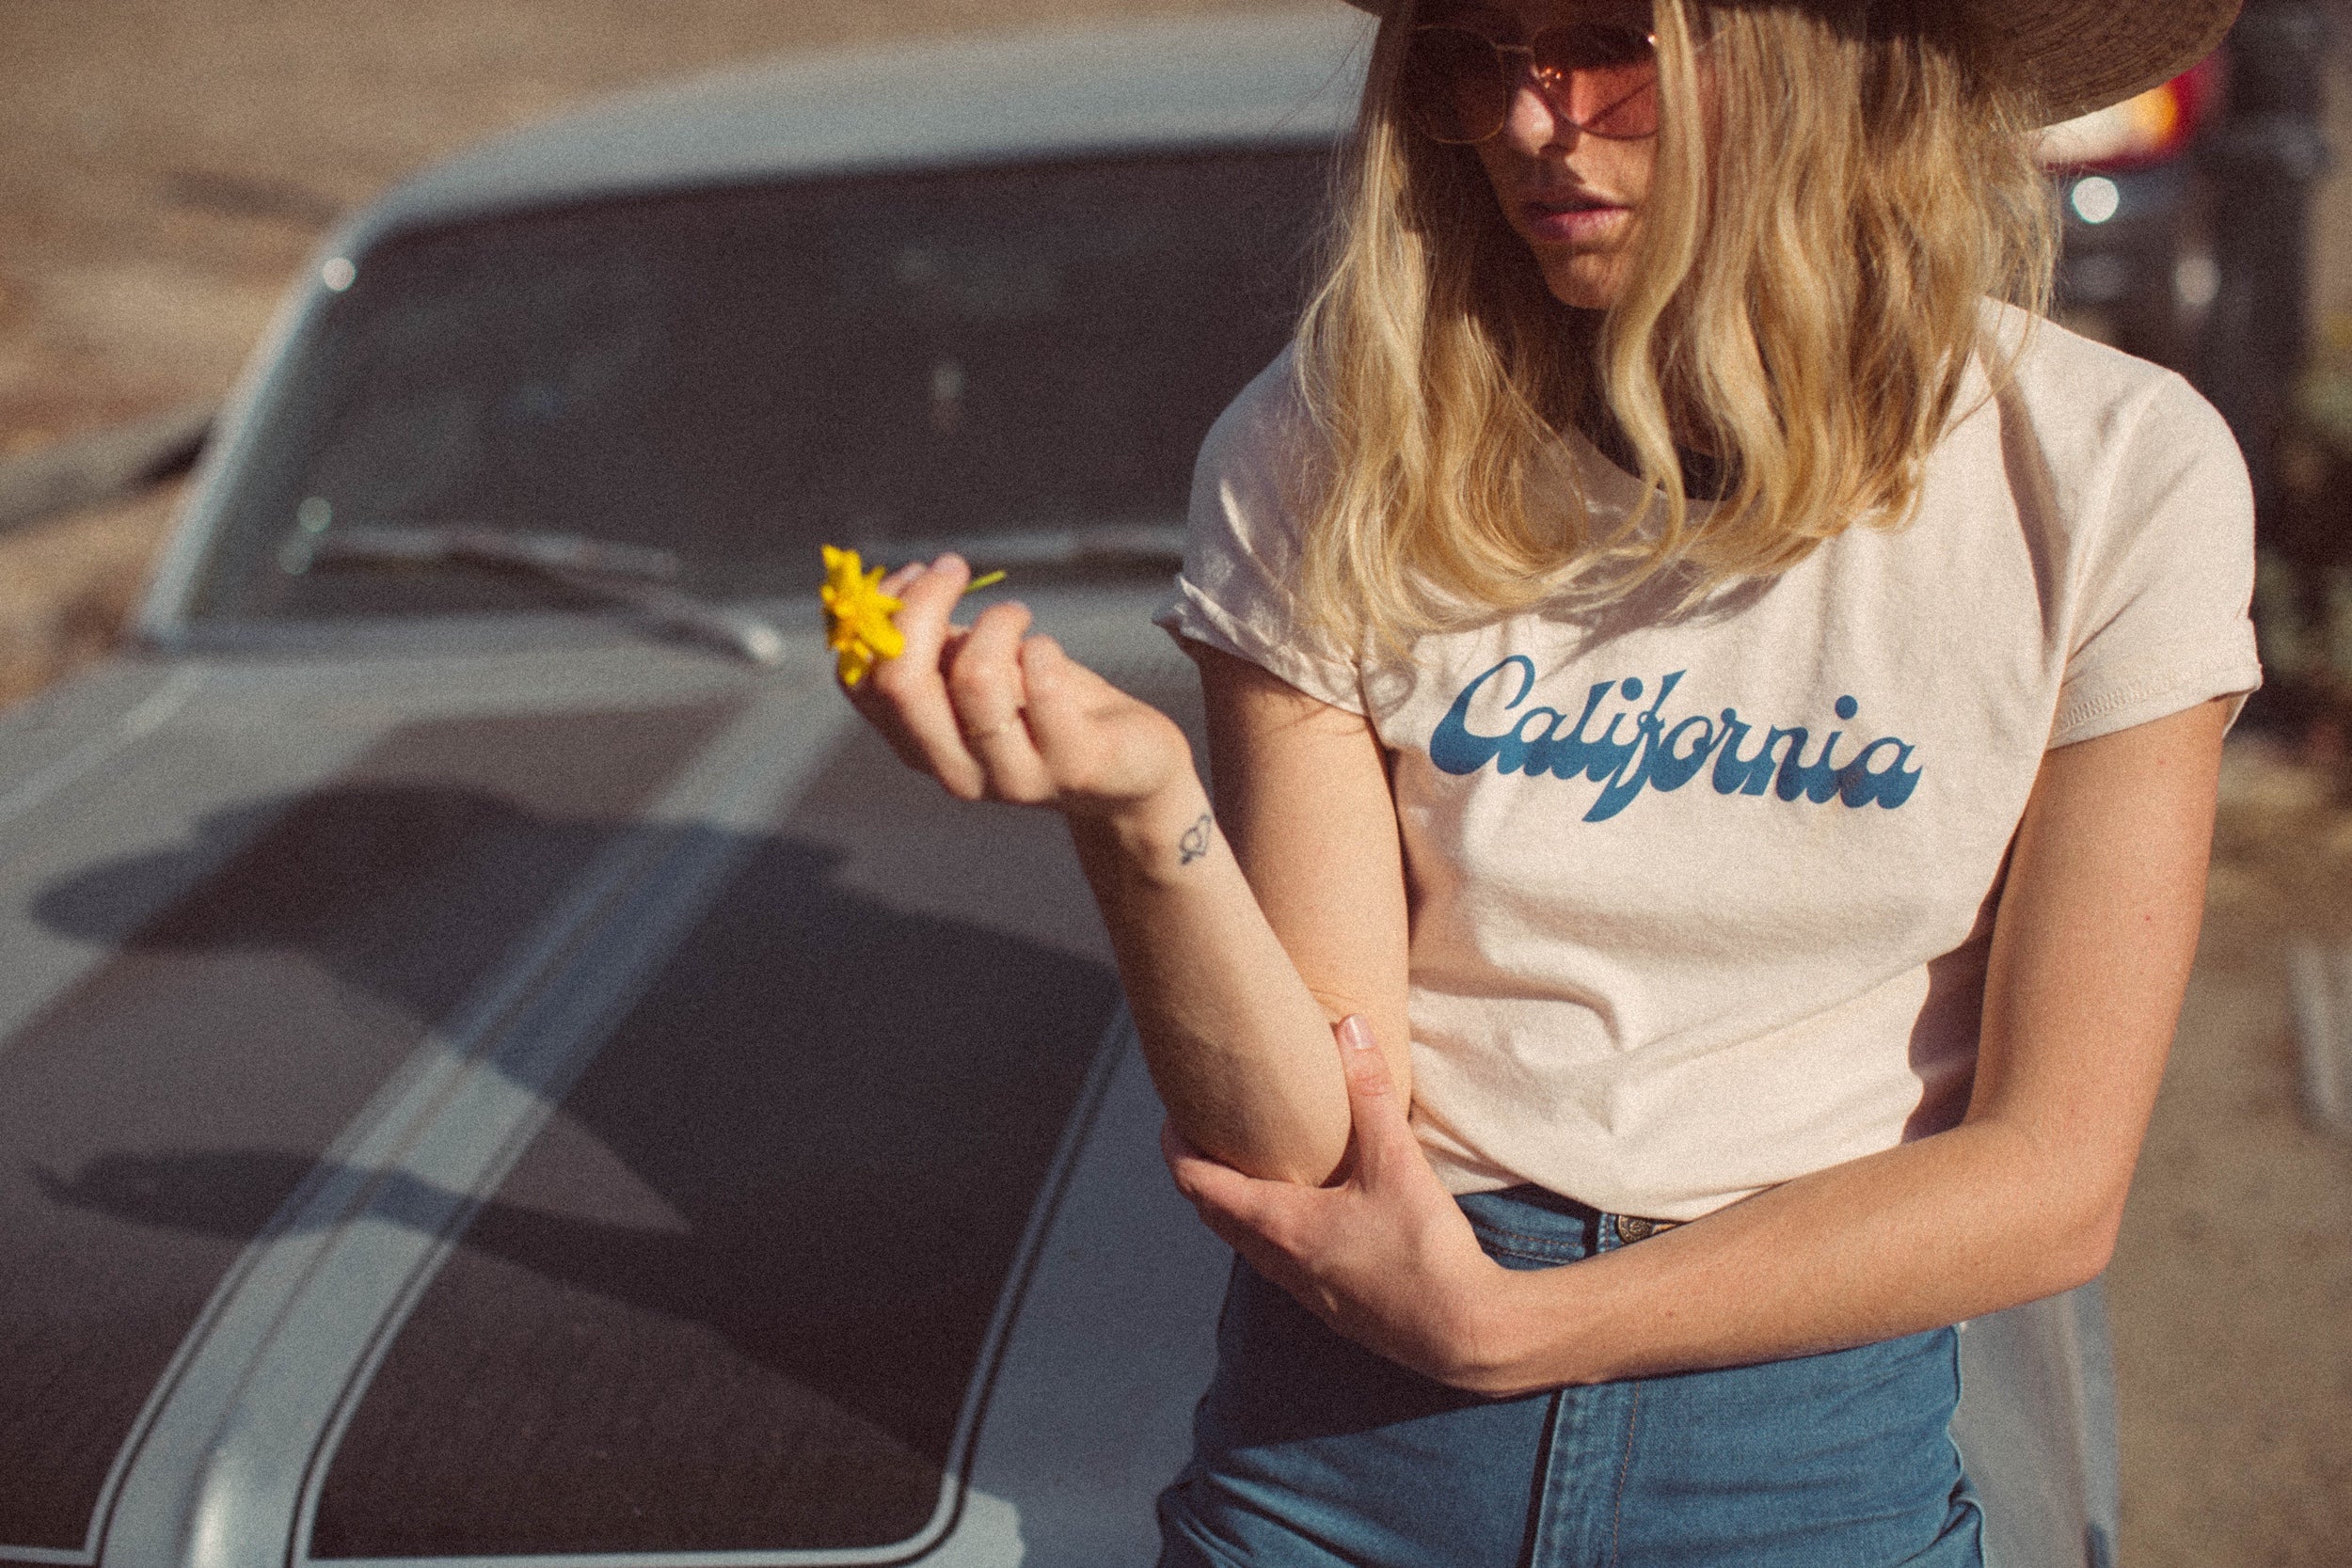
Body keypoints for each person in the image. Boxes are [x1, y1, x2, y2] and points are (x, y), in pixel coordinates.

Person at [845, 0, 2259, 1560]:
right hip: (1343, 1450)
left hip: (1806, 1451)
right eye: (1475, 54)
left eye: (1601, 42)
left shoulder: (2114, 474)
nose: (1528, 121)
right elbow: (1310, 1139)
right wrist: (1137, 809)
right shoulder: (1327, 448)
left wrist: (1527, 1331)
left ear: (1825, 58)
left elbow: (2054, 1182)